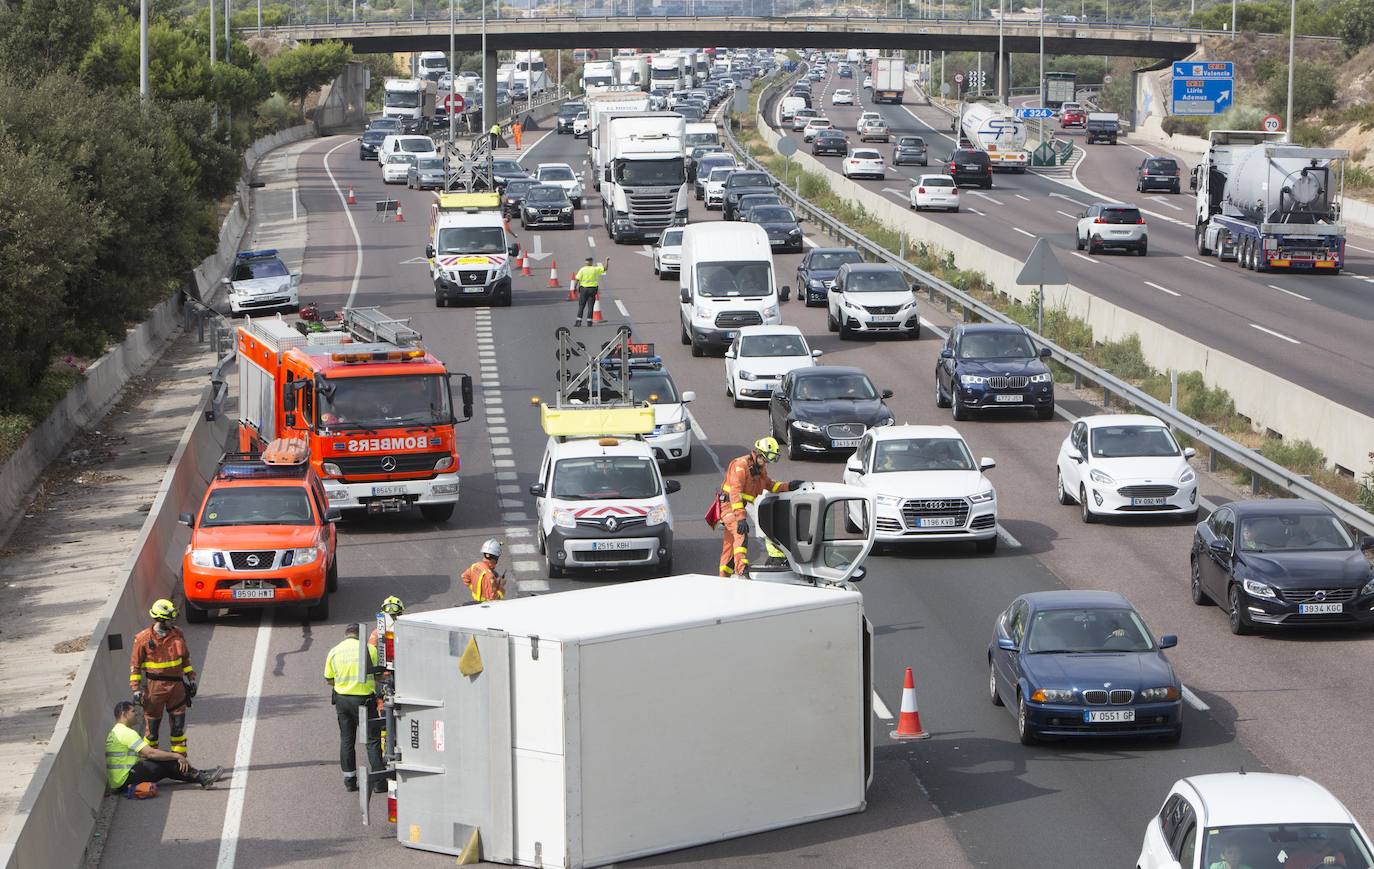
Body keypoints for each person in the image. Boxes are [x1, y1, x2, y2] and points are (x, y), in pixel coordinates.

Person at [717, 437, 800, 578]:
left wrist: (788, 486)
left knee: (729, 547)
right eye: (765, 459)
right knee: (740, 534)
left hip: (735, 507)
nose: (766, 463)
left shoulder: (759, 469)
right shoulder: (740, 466)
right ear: (759, 454)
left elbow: (770, 485)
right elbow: (735, 492)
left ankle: (723, 579)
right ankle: (741, 568)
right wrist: (741, 518)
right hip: (728, 507)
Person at [106, 700, 221, 794]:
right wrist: (176, 755)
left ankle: (200, 774)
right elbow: (149, 753)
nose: (136, 713)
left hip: (119, 781)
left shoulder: (115, 732)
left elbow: (141, 754)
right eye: (133, 711)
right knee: (167, 762)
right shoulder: (126, 733)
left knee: (164, 762)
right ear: (124, 714)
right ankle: (203, 778)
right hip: (126, 778)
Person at [129, 599, 196, 757]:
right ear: (159, 619)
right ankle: (151, 763)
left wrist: (191, 678)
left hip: (177, 688)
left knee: (178, 728)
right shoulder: (143, 639)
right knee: (152, 732)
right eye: (169, 619)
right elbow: (135, 665)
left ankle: (180, 764)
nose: (172, 621)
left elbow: (185, 659)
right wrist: (136, 689)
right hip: (155, 689)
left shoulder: (177, 634)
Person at [325, 623, 384, 793]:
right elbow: (378, 675)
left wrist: (344, 684)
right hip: (364, 700)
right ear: (360, 635)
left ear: (346, 635)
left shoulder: (335, 651)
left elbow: (329, 679)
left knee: (346, 740)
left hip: (342, 701)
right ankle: (379, 782)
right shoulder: (368, 650)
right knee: (372, 740)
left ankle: (350, 780)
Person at [462, 539, 507, 603]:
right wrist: (501, 586)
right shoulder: (490, 577)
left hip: (476, 601)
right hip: (486, 605)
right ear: (496, 558)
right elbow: (494, 599)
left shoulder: (475, 566)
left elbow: (465, 577)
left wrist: (475, 588)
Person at [572, 256, 608, 326]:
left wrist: (574, 288)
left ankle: (578, 322)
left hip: (584, 290)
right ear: (591, 262)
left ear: (585, 262)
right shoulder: (595, 269)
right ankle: (589, 322)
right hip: (592, 290)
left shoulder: (582, 270)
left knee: (581, 306)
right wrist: (606, 260)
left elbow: (577, 279)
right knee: (591, 306)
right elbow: (605, 268)